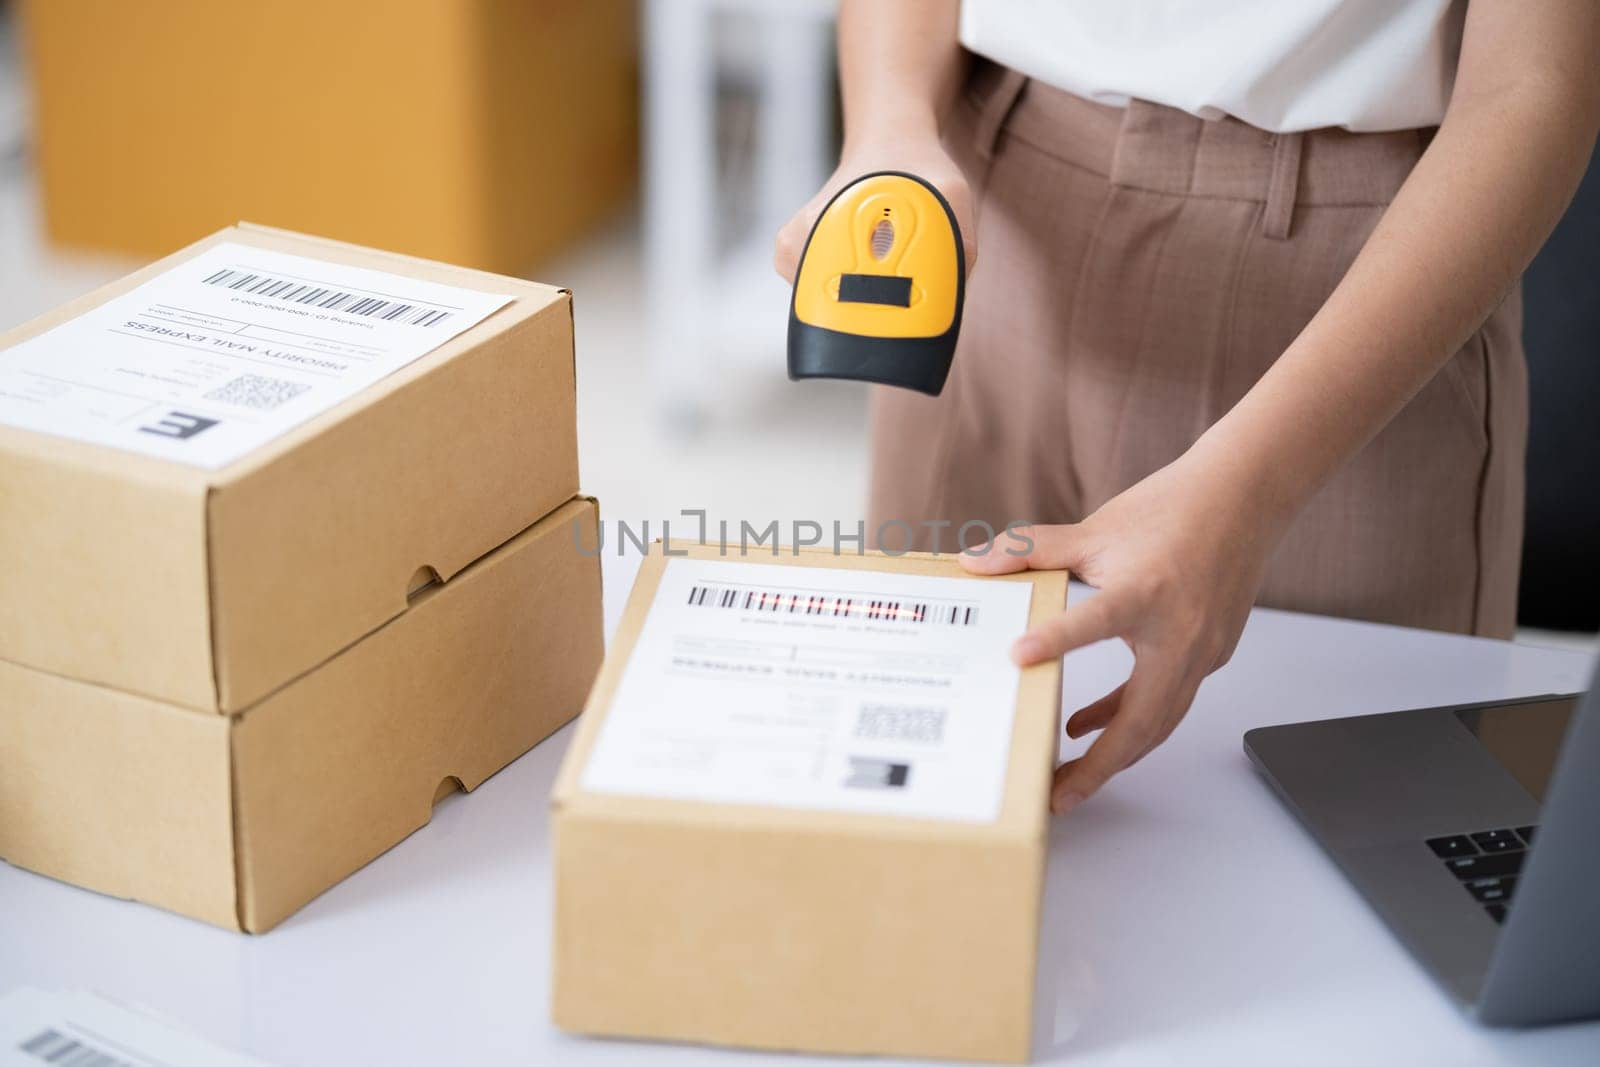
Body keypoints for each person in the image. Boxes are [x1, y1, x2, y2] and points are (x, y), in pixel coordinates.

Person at [774, 1, 1600, 815]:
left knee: (1340, 874)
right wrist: (886, 131)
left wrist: (1247, 496)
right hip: (984, 203)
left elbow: (1532, 84)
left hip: (1345, 295)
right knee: (920, 786)